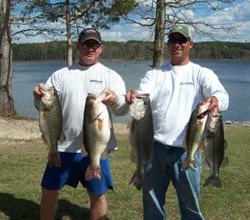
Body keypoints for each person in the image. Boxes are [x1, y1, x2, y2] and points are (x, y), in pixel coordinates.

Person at [125, 24, 229, 220]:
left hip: (187, 152)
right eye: (172, 40)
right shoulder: (155, 74)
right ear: (167, 44)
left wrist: (215, 101)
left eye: (181, 40)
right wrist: (134, 95)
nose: (177, 45)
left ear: (190, 43)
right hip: (154, 150)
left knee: (191, 209)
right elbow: (143, 94)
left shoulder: (202, 73)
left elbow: (222, 97)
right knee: (152, 207)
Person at [33, 28, 128, 220]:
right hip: (62, 147)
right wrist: (37, 97)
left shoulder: (111, 76)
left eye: (94, 45)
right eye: (85, 44)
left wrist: (116, 100)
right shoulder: (61, 75)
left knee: (98, 195)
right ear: (78, 46)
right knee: (49, 191)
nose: (90, 48)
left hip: (96, 148)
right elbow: (44, 107)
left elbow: (122, 110)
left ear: (101, 48)